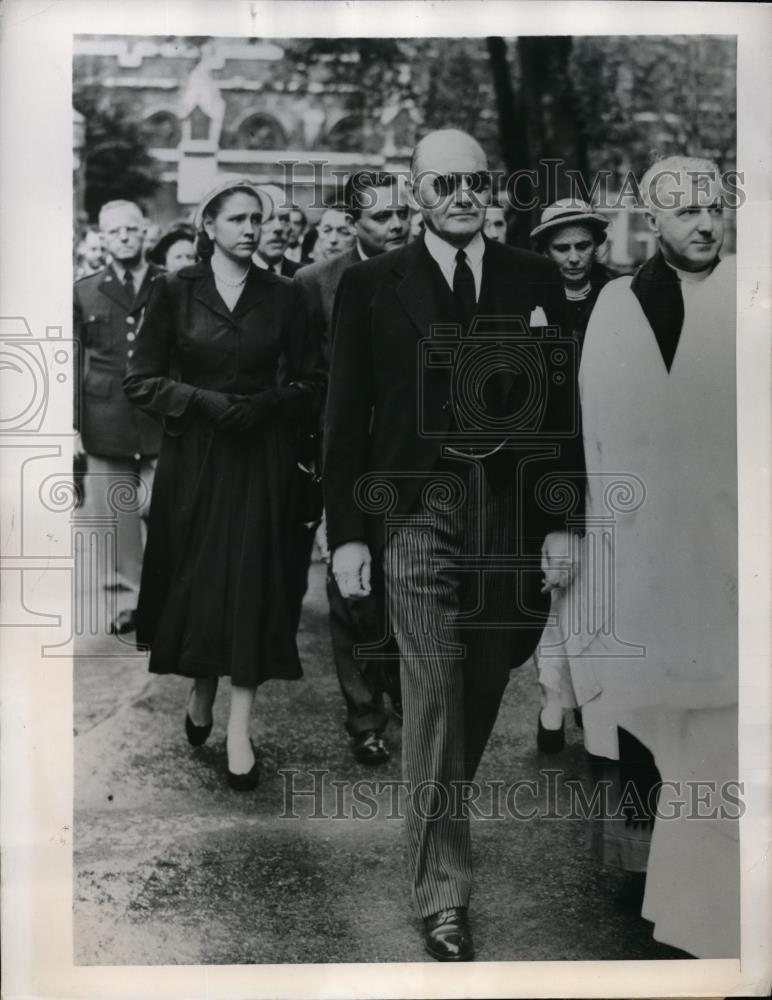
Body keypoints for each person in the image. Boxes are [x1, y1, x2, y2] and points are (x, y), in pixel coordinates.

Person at [324, 129, 582, 961]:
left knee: (489, 669)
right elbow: (345, 417)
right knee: (431, 682)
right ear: (418, 191)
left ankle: (438, 802)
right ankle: (442, 893)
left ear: (490, 190)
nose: (463, 194)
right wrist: (349, 537)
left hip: (506, 508)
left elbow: (558, 413)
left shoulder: (533, 276)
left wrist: (563, 521)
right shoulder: (371, 285)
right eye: (445, 183)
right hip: (415, 509)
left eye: (476, 181)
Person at [556, 156, 739, 957]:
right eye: (687, 212)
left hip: (741, 549)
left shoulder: (751, 295)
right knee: (663, 719)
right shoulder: (623, 307)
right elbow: (594, 431)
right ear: (652, 224)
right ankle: (672, 892)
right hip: (654, 554)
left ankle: (724, 903)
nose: (705, 223)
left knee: (732, 724)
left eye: (714, 208)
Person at [123, 177, 323, 791]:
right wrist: (205, 402)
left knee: (253, 583)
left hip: (260, 459)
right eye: (236, 219)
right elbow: (142, 380)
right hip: (197, 460)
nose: (250, 229)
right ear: (207, 226)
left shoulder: (286, 294)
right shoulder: (174, 289)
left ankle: (240, 728)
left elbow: (314, 382)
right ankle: (201, 687)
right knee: (202, 578)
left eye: (256, 220)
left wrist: (266, 406)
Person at [296, 171, 409, 764]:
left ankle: (405, 697)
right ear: (354, 220)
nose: (396, 225)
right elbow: (305, 378)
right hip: (342, 455)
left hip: (410, 458)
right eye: (382, 217)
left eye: (402, 214)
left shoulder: (424, 271)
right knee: (349, 590)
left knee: (410, 582)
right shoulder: (315, 283)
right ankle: (365, 715)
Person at [73, 199, 164, 636]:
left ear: (146, 230)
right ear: (102, 237)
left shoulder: (173, 283)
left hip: (163, 418)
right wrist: (72, 424)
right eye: (115, 231)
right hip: (105, 419)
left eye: (132, 228)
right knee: (116, 521)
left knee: (167, 508)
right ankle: (132, 602)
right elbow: (73, 360)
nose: (125, 237)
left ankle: (169, 596)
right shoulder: (84, 290)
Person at [531, 198, 615, 351]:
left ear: (596, 246)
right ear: (546, 252)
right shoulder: (531, 297)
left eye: (583, 246)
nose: (574, 259)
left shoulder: (616, 291)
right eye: (562, 249)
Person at [252, 184, 301, 277]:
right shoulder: (233, 277)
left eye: (285, 219)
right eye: (268, 219)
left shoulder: (305, 278)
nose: (278, 228)